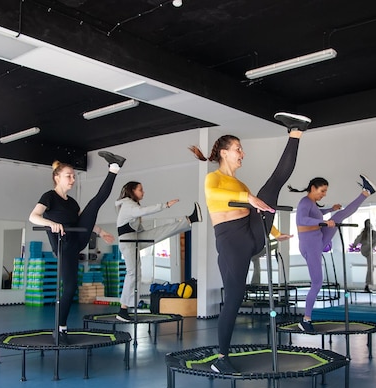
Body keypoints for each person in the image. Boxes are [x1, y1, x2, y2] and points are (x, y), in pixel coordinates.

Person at [189, 111, 310, 374]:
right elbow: (214, 194)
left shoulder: (240, 182)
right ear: (223, 153)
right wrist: (248, 198)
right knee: (233, 299)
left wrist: (276, 233)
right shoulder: (215, 178)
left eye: (242, 149)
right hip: (232, 242)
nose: (242, 153)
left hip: (252, 233)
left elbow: (259, 207)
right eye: (237, 149)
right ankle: (221, 357)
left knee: (273, 184)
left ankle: (295, 132)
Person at [29, 151, 125, 344]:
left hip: (77, 240)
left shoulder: (72, 202)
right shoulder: (49, 197)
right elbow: (33, 216)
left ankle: (114, 168)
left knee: (95, 203)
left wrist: (101, 232)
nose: (73, 179)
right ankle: (61, 327)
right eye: (69, 176)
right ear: (57, 178)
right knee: (71, 287)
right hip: (64, 247)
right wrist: (50, 223)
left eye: (74, 176)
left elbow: (85, 219)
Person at [288, 176, 376, 332]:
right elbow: (302, 219)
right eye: (322, 191)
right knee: (317, 283)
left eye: (326, 191)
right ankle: (305, 320)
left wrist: (330, 210)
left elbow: (316, 213)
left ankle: (366, 192)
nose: (324, 194)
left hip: (318, 237)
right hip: (311, 244)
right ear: (313, 188)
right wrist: (322, 223)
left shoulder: (311, 203)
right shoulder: (304, 202)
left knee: (339, 215)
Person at [115, 181, 203, 321]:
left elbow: (138, 227)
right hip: (128, 241)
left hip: (134, 238)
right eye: (140, 190)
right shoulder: (127, 205)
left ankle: (190, 219)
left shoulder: (132, 205)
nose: (143, 192)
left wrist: (150, 235)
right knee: (133, 273)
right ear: (132, 191)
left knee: (159, 232)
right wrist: (165, 205)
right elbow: (143, 211)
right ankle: (123, 310)